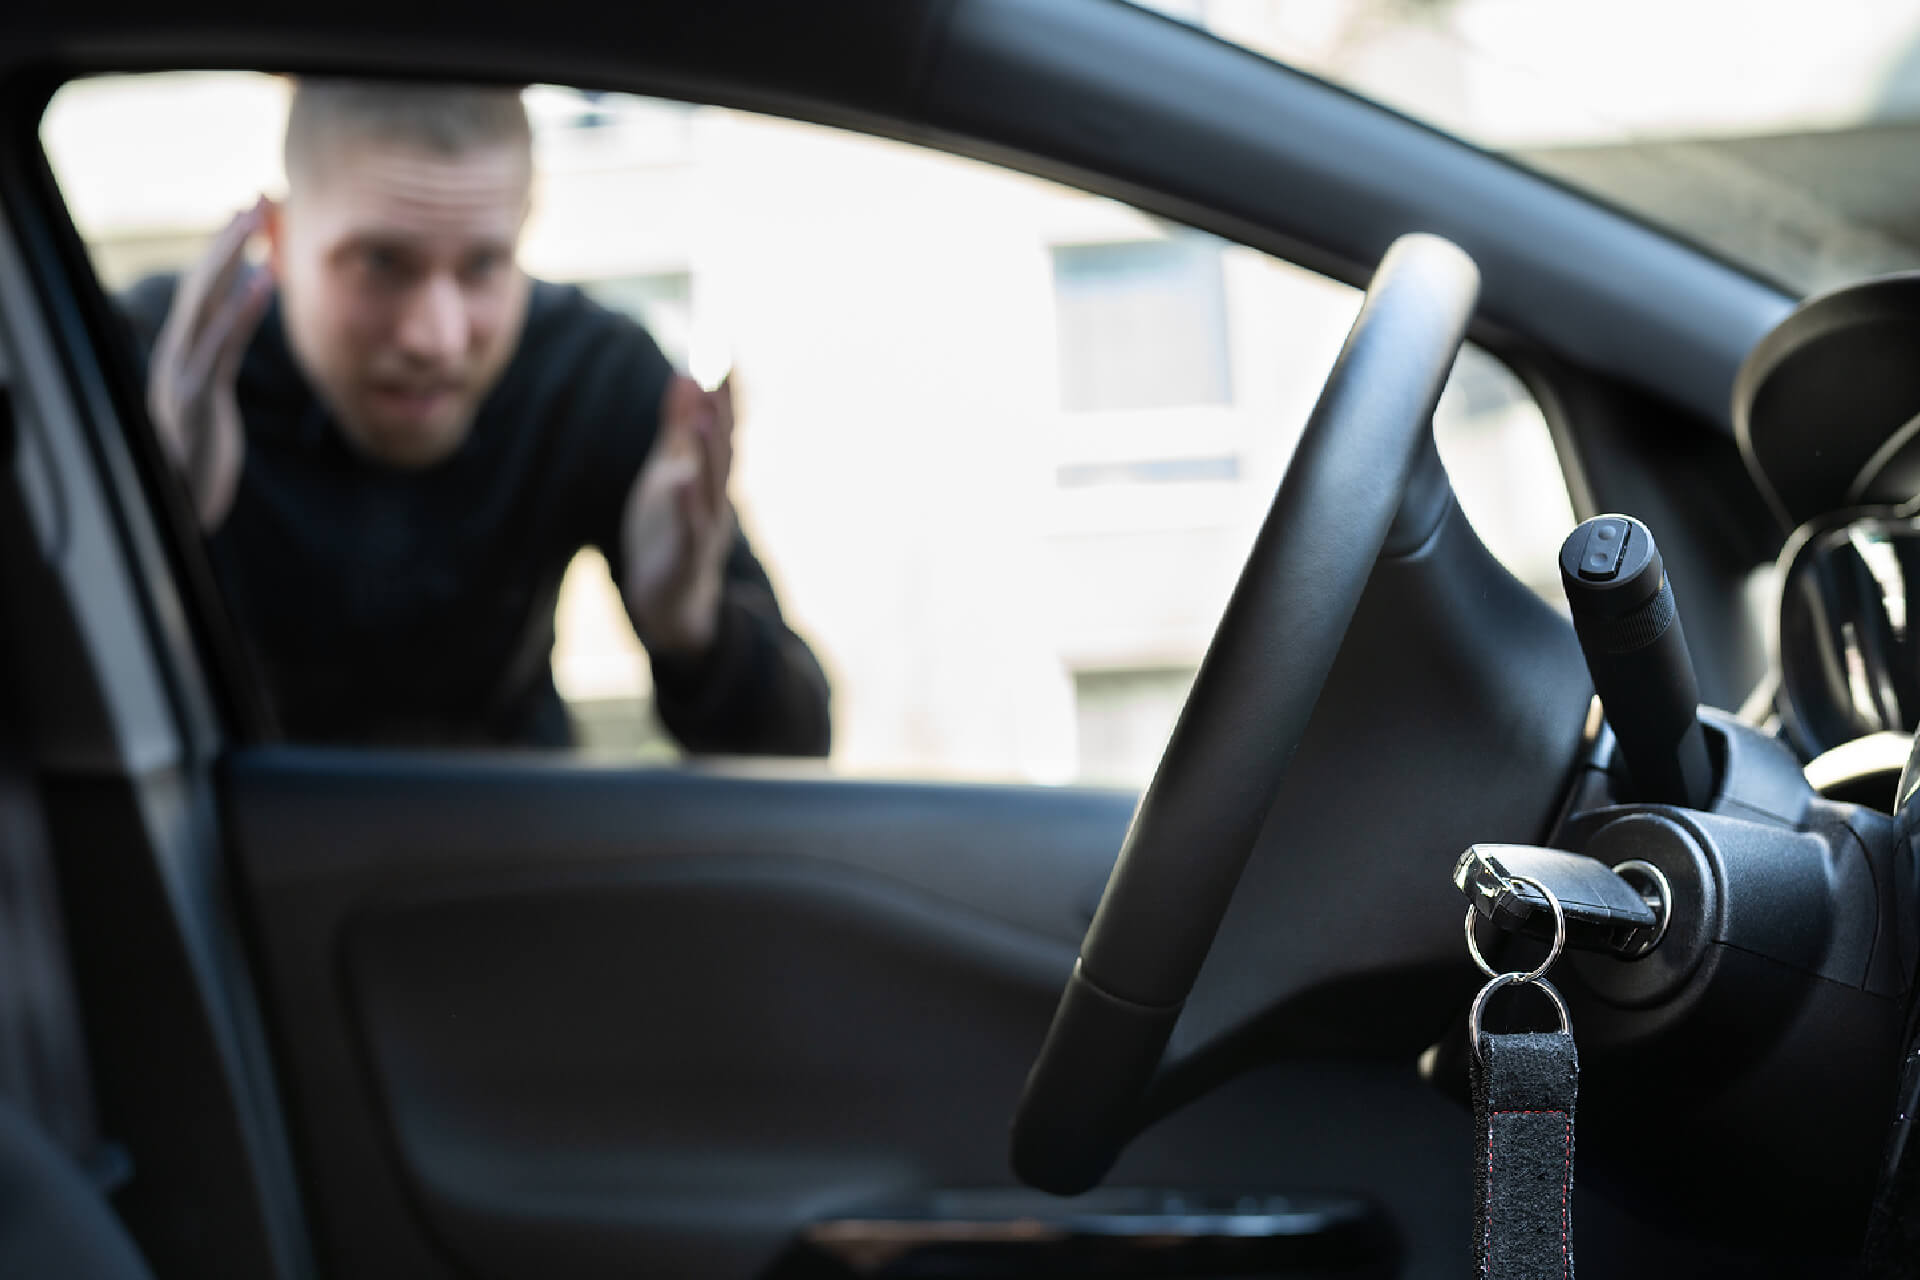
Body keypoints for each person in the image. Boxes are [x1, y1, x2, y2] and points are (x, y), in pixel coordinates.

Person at [120, 78, 831, 753]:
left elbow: (798, 746)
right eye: (380, 262)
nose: (437, 337)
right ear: (277, 240)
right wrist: (152, 520)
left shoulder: (591, 376)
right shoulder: (170, 369)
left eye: (483, 266)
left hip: (509, 844)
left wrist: (694, 628)